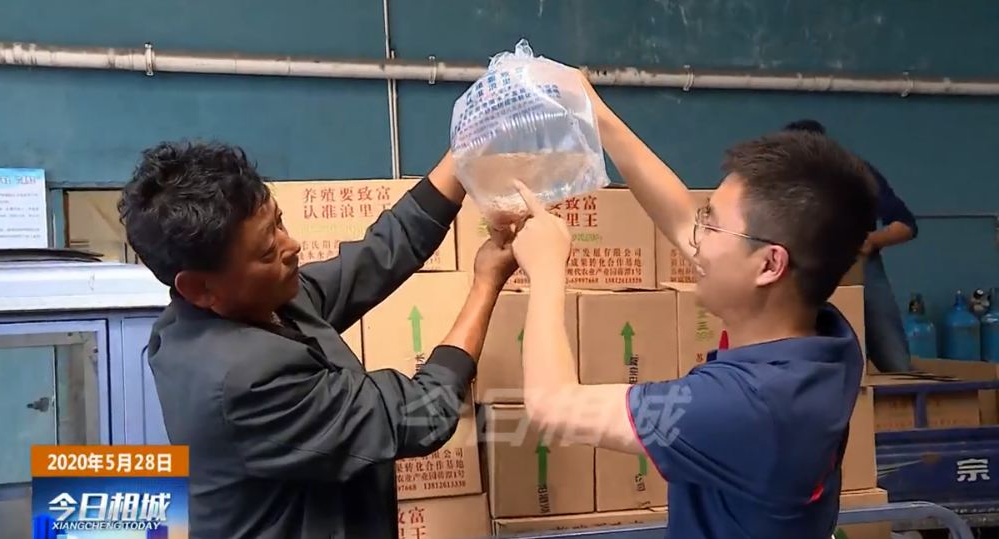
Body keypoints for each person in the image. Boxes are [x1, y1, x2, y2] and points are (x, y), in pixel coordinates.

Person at [508, 74, 878, 539]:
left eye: (713, 224)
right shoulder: (824, 340)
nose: (697, 236)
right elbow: (682, 219)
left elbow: (554, 405)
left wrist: (545, 269)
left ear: (769, 265)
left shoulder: (747, 406)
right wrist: (592, 109)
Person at [118, 141, 517, 539]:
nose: (292, 247)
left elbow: (375, 258)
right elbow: (422, 415)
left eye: (279, 222)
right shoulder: (243, 381)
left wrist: (464, 154)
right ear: (200, 287)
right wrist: (486, 283)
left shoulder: (254, 303)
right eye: (267, 251)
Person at [785, 119, 918, 373]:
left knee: (894, 358)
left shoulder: (855, 173)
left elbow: (906, 225)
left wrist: (872, 241)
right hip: (802, 264)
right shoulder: (779, 179)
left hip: (857, 263)